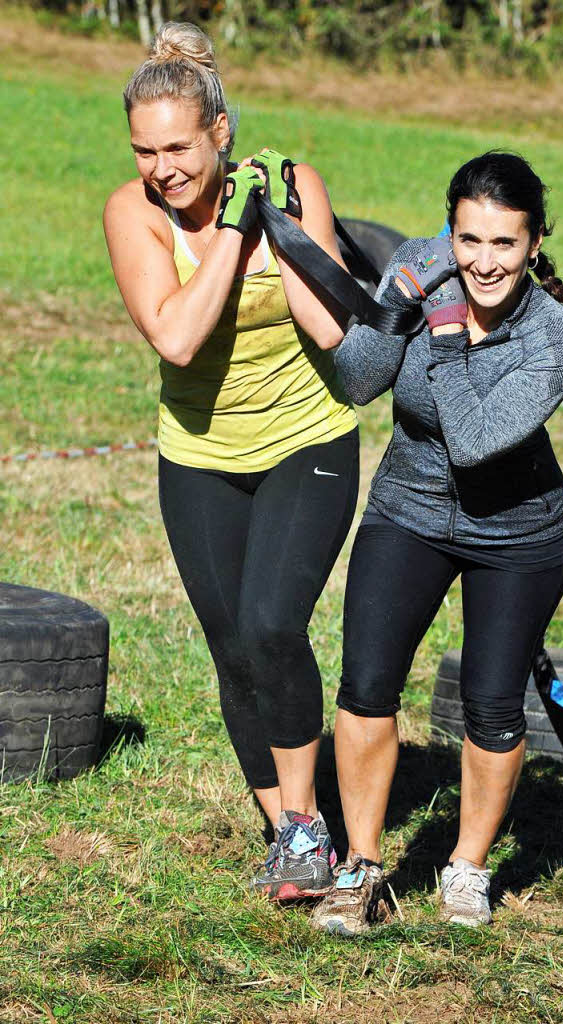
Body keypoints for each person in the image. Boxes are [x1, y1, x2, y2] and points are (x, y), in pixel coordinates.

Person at [310, 151, 563, 934]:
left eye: (504, 244)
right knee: (366, 686)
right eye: (467, 240)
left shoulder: (558, 339)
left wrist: (438, 333)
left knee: (491, 707)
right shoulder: (417, 267)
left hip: (517, 533)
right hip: (406, 508)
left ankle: (467, 869)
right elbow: (357, 381)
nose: (482, 262)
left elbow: (473, 440)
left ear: (535, 243)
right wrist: (398, 301)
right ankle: (361, 869)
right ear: (449, 231)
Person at [103, 22, 359, 901]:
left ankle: (303, 832)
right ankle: (292, 831)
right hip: (199, 454)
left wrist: (272, 227)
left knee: (270, 627)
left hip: (306, 439)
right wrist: (227, 237)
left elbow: (330, 329)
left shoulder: (293, 186)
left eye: (177, 145)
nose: (160, 167)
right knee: (232, 650)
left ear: (220, 132)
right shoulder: (131, 213)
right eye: (144, 149)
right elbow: (175, 336)